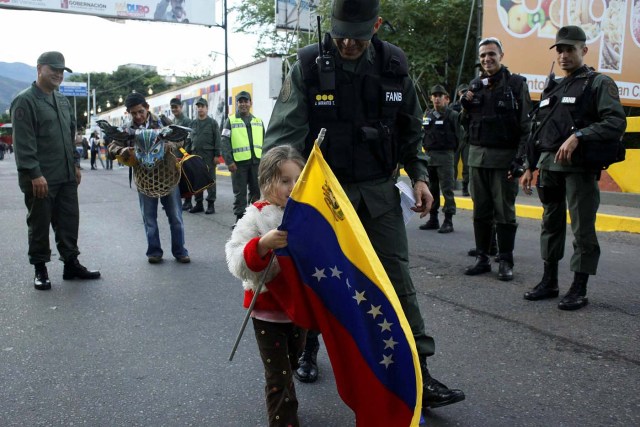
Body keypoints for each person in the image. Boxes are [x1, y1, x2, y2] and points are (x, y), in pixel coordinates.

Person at [263, 0, 465, 410]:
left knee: (396, 283)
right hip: (323, 199)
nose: (348, 43)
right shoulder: (306, 67)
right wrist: (276, 196)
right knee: (322, 278)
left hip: (378, 196)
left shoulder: (393, 66)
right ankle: (308, 350)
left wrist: (420, 175)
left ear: (376, 24)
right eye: (341, 35)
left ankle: (419, 376)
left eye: (358, 35)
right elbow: (283, 139)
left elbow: (410, 132)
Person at [520, 26, 626, 310]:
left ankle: (579, 288)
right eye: (560, 49)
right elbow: (538, 129)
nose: (564, 55)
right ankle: (549, 281)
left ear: (584, 50)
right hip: (549, 168)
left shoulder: (598, 83)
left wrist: (580, 135)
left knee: (582, 229)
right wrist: (530, 164)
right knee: (550, 225)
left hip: (579, 169)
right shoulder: (554, 86)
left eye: (570, 49)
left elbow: (616, 122)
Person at [225, 145, 307, 427]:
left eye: (298, 180)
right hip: (267, 312)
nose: (293, 187)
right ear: (266, 181)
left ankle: (288, 387)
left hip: (300, 310)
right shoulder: (256, 216)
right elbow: (236, 257)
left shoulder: (308, 214)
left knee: (292, 363)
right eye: (285, 181)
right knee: (279, 378)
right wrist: (261, 245)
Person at [11, 51, 100, 290]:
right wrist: (34, 173)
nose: (59, 75)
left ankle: (71, 263)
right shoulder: (25, 100)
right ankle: (40, 268)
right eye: (54, 69)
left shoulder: (61, 100)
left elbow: (70, 137)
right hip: (40, 177)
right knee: (39, 223)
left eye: (62, 71)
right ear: (40, 69)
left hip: (66, 175)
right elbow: (24, 143)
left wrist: (75, 164)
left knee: (69, 221)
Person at [460, 36, 532, 282]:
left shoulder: (516, 84)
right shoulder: (475, 85)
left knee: (504, 212)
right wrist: (464, 107)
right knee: (480, 211)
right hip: (477, 158)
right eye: (482, 56)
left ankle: (506, 259)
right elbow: (465, 123)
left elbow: (525, 126)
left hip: (504, 159)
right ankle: (482, 257)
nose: (487, 59)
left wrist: (520, 160)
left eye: (491, 54)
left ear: (501, 55)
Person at [107, 92, 190, 264]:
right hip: (144, 179)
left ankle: (180, 251)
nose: (137, 116)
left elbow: (181, 139)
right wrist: (119, 151)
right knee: (149, 218)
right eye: (133, 113)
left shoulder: (163, 122)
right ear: (128, 113)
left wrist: (170, 145)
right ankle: (154, 252)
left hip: (168, 176)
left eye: (140, 112)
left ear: (147, 108)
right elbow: (112, 146)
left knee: (175, 216)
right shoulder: (127, 128)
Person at [419, 84, 459, 233]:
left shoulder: (452, 115)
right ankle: (433, 218)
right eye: (434, 96)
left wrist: (453, 154)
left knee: (447, 189)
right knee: (432, 189)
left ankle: (448, 220)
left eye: (439, 96)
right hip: (430, 157)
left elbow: (460, 137)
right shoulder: (428, 114)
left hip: (445, 156)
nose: (436, 98)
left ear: (446, 99)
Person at [221, 91, 262, 227]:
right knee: (240, 192)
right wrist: (229, 161)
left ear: (250, 103)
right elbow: (224, 141)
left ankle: (254, 218)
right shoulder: (231, 120)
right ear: (237, 104)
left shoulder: (258, 121)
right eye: (240, 101)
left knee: (256, 191)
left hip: (256, 162)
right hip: (238, 164)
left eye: (246, 101)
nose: (243, 104)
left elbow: (265, 141)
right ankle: (240, 220)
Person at [188, 97, 220, 215]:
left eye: (202, 106)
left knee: (210, 181)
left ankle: (211, 204)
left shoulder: (212, 123)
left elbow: (217, 139)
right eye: (198, 107)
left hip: (209, 157)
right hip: (195, 156)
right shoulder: (193, 123)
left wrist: (217, 155)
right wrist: (187, 155)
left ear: (207, 108)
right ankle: (199, 204)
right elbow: (189, 140)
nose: (200, 109)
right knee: (197, 180)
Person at [169, 97, 195, 212]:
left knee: (185, 179)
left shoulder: (187, 121)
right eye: (172, 107)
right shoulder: (173, 122)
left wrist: (187, 153)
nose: (174, 109)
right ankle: (178, 200)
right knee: (176, 179)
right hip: (174, 154)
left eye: (176, 107)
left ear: (181, 107)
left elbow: (190, 138)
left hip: (184, 153)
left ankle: (188, 201)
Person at [451, 83, 470, 196]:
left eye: (466, 92)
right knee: (453, 164)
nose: (464, 94)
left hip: (467, 139)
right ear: (459, 93)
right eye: (462, 92)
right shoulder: (454, 106)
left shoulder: (472, 105)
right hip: (456, 139)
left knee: (467, 165)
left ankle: (465, 187)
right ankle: (451, 186)